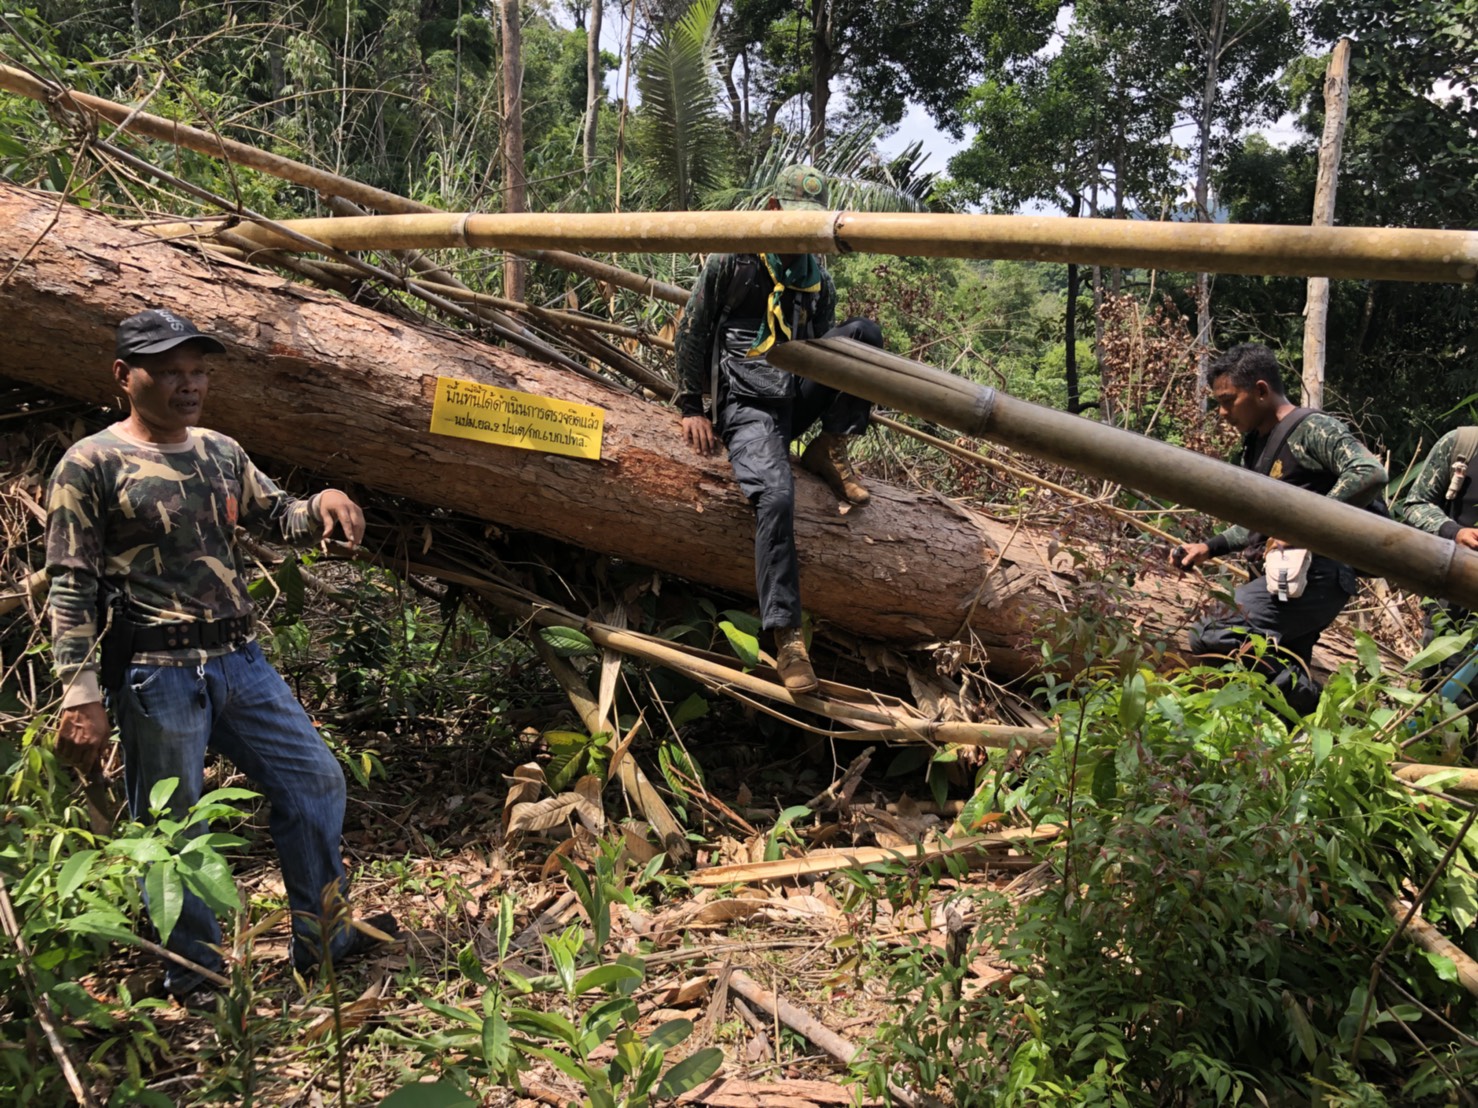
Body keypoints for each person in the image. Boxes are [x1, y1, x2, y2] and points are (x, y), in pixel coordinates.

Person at [46, 309, 396, 1006]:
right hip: (156, 672)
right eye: (169, 373)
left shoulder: (220, 452)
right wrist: (78, 690)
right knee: (175, 825)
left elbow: (280, 517)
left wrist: (325, 503)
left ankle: (324, 941)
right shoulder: (90, 464)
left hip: (240, 660)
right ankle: (197, 975)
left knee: (315, 781)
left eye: (198, 371)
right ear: (124, 376)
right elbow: (71, 580)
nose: (189, 385)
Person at [674, 165, 883, 694]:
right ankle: (787, 636)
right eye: (793, 219)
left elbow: (830, 358)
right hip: (748, 405)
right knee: (777, 497)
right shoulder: (735, 260)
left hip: (794, 400)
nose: (800, 232)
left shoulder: (817, 281)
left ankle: (828, 447)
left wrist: (832, 409)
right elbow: (693, 329)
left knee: (864, 336)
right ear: (773, 210)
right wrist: (691, 405)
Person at [1171, 343, 1387, 713]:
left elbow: (1369, 473)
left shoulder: (1312, 428)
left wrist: (1306, 528)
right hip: (1282, 580)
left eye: (1228, 401)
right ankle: (1317, 721)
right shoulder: (1255, 444)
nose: (1222, 413)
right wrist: (1209, 547)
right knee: (1276, 701)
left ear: (1260, 390)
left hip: (1317, 576)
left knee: (1211, 629)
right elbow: (1262, 525)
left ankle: (1314, 701)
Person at [1395, 425, 1478, 706]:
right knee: (1443, 698)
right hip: (1453, 604)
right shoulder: (1462, 444)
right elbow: (1416, 503)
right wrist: (1454, 531)